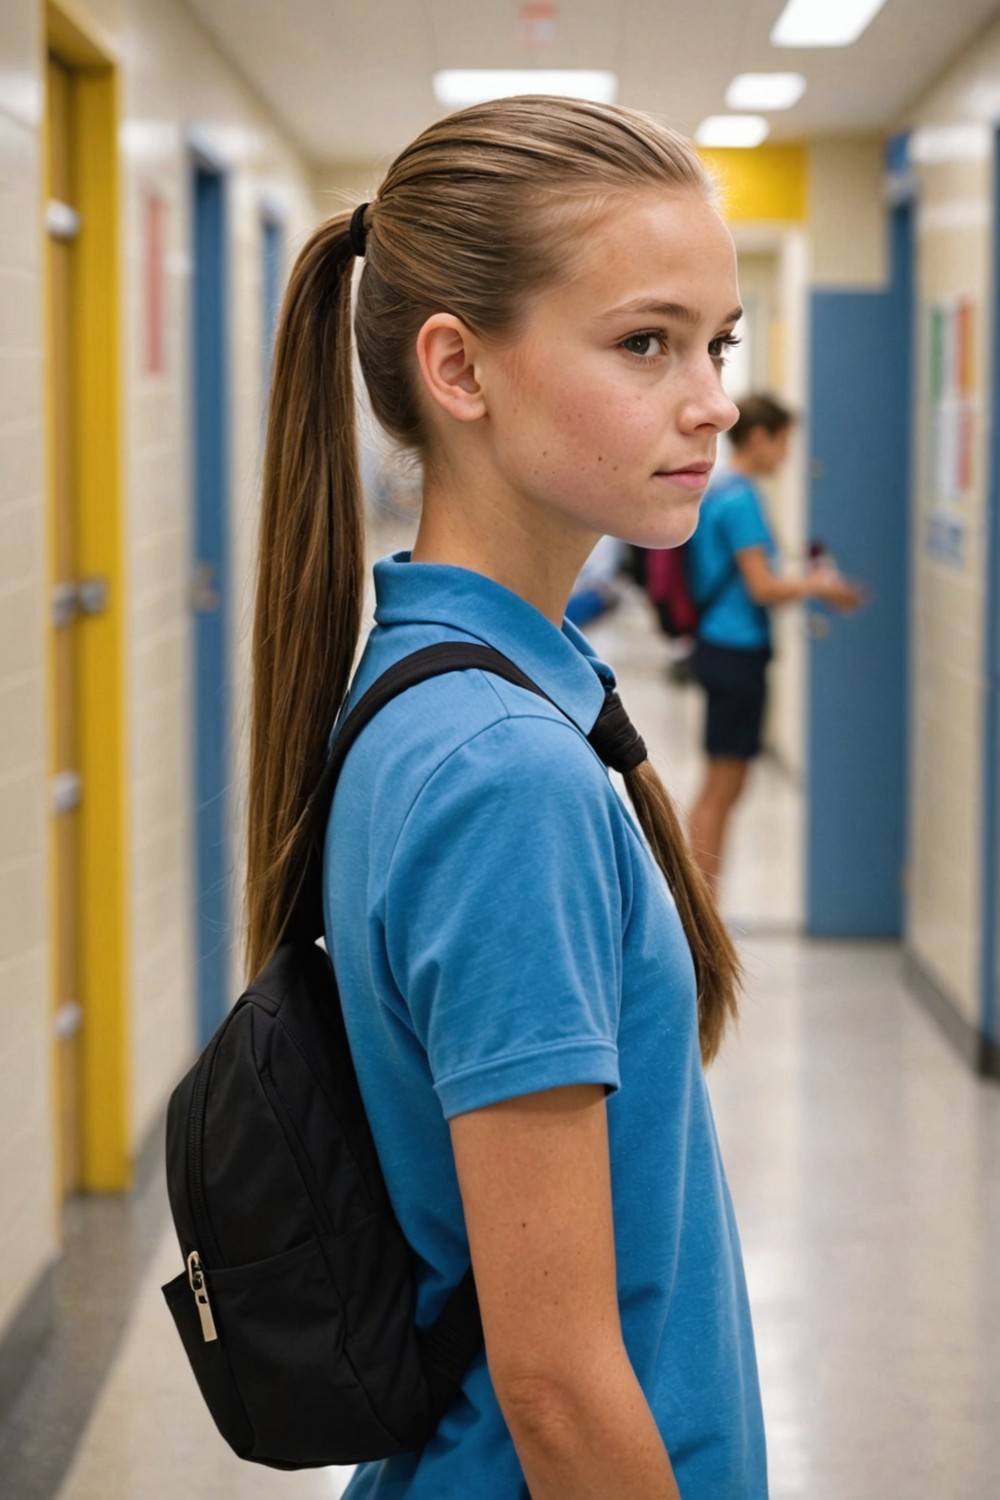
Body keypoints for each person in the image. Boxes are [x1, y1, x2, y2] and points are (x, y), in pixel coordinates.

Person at [246, 97, 768, 1499]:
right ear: (458, 369)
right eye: (645, 342)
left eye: (715, 343)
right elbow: (554, 1384)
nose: (713, 397)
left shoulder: (448, 691)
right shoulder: (501, 773)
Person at [686, 394, 865, 893]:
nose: (786, 455)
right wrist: (819, 587)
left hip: (719, 646)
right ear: (760, 438)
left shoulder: (719, 491)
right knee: (722, 785)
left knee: (726, 782)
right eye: (784, 442)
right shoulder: (740, 498)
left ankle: (700, 900)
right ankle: (700, 906)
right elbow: (761, 586)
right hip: (734, 650)